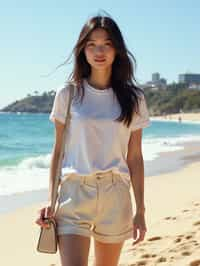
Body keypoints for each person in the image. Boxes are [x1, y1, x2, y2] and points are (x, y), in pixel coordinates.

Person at [36, 14, 151, 266]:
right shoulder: (68, 93)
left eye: (107, 44)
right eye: (91, 44)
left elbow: (135, 157)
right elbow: (58, 151)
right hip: (74, 192)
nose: (99, 51)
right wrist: (50, 200)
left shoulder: (134, 98)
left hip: (115, 194)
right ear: (82, 50)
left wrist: (140, 210)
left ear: (117, 49)